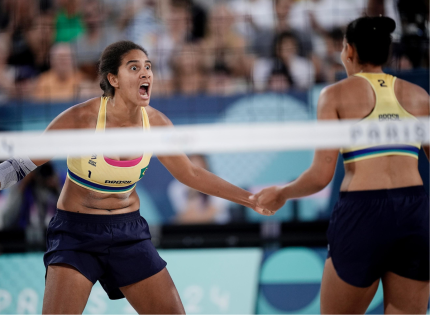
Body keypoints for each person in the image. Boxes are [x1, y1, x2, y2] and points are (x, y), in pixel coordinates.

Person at [0, 40, 273, 314]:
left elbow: (191, 173)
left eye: (148, 67)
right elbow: (19, 165)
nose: (146, 73)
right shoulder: (82, 118)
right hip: (76, 234)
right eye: (134, 67)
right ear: (113, 79)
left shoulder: (156, 123)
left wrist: (249, 199)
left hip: (128, 233)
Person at [252, 16, 429, 314]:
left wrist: (282, 193)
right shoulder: (420, 96)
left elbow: (321, 176)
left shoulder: (334, 95)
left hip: (364, 212)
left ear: (348, 51)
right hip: (415, 212)